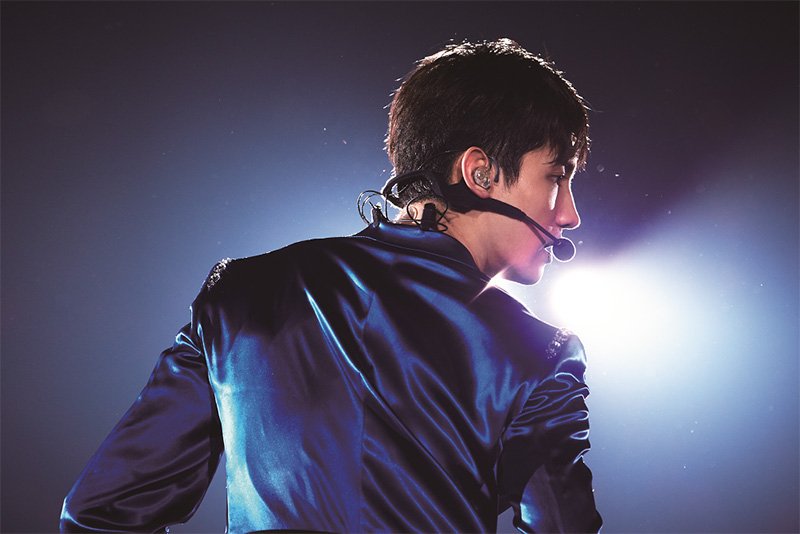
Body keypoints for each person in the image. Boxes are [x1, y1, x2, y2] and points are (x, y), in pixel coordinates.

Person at [61, 38, 602, 533]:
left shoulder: (240, 294)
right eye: (557, 178)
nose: (570, 214)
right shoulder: (539, 354)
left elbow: (100, 514)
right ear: (479, 172)